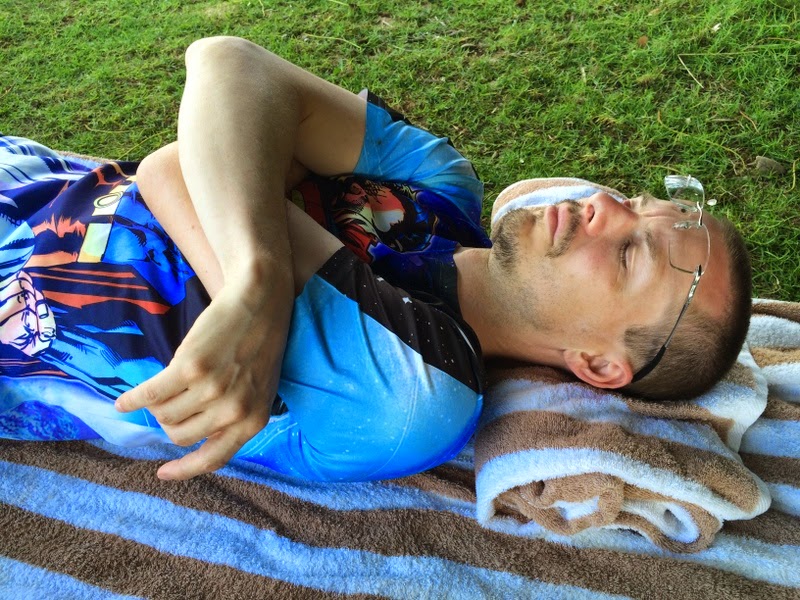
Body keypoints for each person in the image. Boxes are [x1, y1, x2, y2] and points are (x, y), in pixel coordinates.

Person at [0, 37, 751, 483]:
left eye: (629, 254)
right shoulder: (441, 186)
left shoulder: (419, 392)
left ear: (599, 364)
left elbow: (175, 170)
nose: (606, 207)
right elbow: (228, 64)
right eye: (637, 201)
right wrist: (258, 280)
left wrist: (256, 176)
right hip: (31, 175)